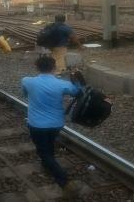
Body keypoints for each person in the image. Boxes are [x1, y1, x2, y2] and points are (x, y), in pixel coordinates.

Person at [22, 56, 89, 197]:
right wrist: (76, 79)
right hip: (56, 124)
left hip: (37, 125)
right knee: (50, 144)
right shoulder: (61, 84)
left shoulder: (27, 81)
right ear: (54, 67)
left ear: (37, 67)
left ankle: (64, 182)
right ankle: (47, 165)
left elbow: (24, 94)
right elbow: (79, 92)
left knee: (43, 152)